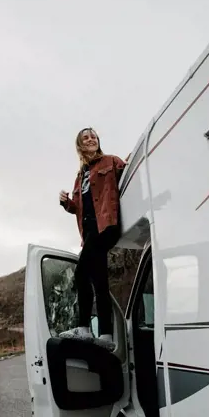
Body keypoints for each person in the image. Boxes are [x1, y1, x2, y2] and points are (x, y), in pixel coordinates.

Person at [58, 127, 128, 351]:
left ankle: (84, 328)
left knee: (80, 273)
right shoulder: (80, 177)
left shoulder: (111, 161)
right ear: (80, 145)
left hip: (105, 226)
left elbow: (128, 174)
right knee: (100, 282)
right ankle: (106, 336)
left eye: (94, 137)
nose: (91, 140)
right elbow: (79, 207)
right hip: (88, 232)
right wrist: (67, 203)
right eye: (85, 138)